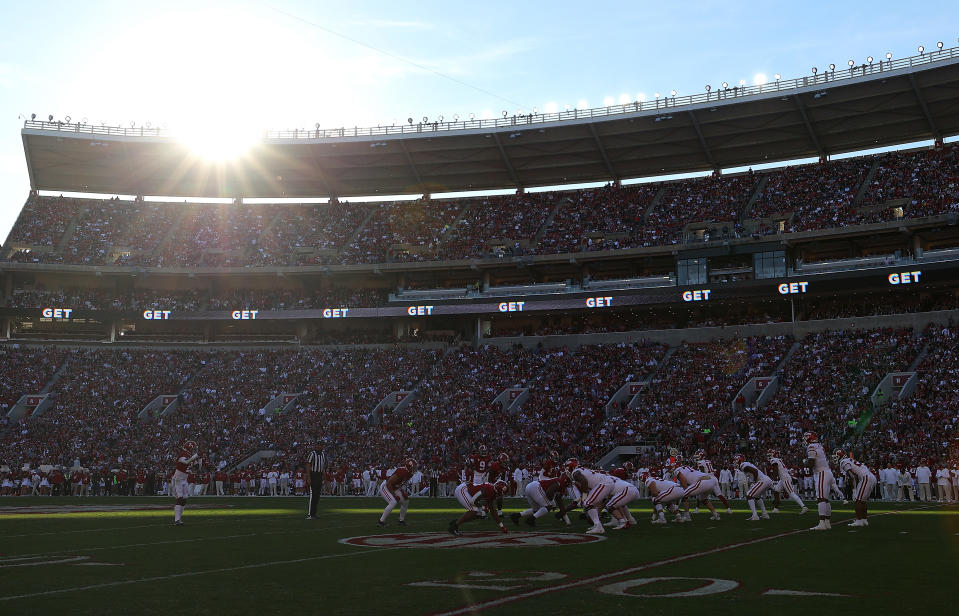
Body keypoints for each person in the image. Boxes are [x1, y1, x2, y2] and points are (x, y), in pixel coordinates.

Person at [804, 431, 837, 530]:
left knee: (821, 498)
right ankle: (827, 523)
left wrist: (806, 463)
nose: (804, 439)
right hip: (826, 472)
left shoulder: (811, 447)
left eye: (806, 437)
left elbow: (811, 463)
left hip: (821, 473)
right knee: (825, 499)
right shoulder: (819, 445)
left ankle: (822, 523)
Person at [835, 449, 876, 526]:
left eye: (836, 456)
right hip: (870, 477)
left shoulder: (843, 462)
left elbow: (852, 476)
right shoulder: (850, 460)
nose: (835, 458)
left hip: (866, 477)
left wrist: (854, 490)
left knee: (858, 500)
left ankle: (859, 520)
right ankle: (864, 520)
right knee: (862, 500)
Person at [767, 449, 808, 514]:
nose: (768, 456)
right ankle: (776, 509)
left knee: (791, 493)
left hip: (785, 478)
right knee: (776, 492)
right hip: (783, 478)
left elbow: (775, 471)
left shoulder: (774, 460)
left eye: (769, 454)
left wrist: (774, 481)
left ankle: (804, 507)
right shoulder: (778, 459)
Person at [378, 458, 416, 527]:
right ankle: (381, 521)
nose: (415, 469)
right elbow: (389, 483)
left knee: (405, 501)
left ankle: (401, 521)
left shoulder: (410, 473)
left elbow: (400, 483)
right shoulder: (402, 471)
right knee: (393, 502)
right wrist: (394, 495)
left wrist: (401, 491)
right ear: (409, 467)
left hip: (395, 487)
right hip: (386, 486)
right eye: (414, 467)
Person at [734, 454, 773, 521]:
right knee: (757, 497)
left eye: (736, 460)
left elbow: (755, 471)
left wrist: (755, 482)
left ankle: (755, 516)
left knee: (749, 495)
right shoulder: (746, 464)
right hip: (766, 480)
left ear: (739, 459)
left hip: (762, 481)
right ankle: (765, 514)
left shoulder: (743, 465)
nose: (735, 462)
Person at [172, 440, 199, 526]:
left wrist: (200, 459)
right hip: (178, 479)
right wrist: (196, 456)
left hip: (184, 479)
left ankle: (179, 519)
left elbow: (197, 468)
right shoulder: (183, 454)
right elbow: (186, 462)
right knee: (179, 498)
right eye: (193, 448)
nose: (194, 450)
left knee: (184, 499)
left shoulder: (190, 455)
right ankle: (176, 520)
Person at [306, 445, 326, 519]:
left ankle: (314, 513)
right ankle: (310, 514)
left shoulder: (323, 454)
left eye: (321, 446)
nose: (320, 447)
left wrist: (324, 478)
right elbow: (308, 464)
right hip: (313, 475)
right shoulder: (312, 454)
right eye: (318, 446)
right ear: (316, 446)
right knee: (313, 495)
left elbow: (323, 467)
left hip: (319, 475)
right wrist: (309, 477)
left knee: (317, 495)